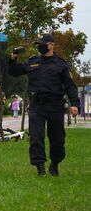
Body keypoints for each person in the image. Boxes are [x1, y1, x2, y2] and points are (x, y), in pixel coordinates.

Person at [9, 33, 80, 176]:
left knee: (57, 138)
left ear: (51, 45)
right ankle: (40, 167)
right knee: (36, 137)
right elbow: (14, 71)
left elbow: (70, 86)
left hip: (55, 105)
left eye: (42, 44)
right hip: (37, 105)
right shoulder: (32, 62)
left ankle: (55, 164)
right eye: (38, 44)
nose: (40, 46)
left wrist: (75, 104)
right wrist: (13, 58)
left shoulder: (61, 64)